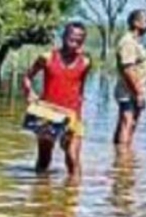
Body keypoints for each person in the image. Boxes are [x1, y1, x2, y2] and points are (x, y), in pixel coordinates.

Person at [22, 22, 93, 179]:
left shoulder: (86, 62)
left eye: (79, 39)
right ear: (64, 36)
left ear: (83, 41)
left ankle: (72, 198)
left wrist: (79, 110)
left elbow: (80, 88)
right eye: (71, 37)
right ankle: (41, 195)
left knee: (73, 157)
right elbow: (27, 77)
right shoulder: (46, 58)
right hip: (48, 113)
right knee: (44, 159)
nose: (75, 42)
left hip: (72, 115)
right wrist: (29, 93)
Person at [113, 9, 146, 150]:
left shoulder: (135, 42)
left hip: (134, 90)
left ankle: (121, 157)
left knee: (130, 123)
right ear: (136, 23)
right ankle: (122, 161)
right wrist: (138, 93)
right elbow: (127, 69)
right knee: (127, 122)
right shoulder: (128, 42)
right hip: (128, 91)